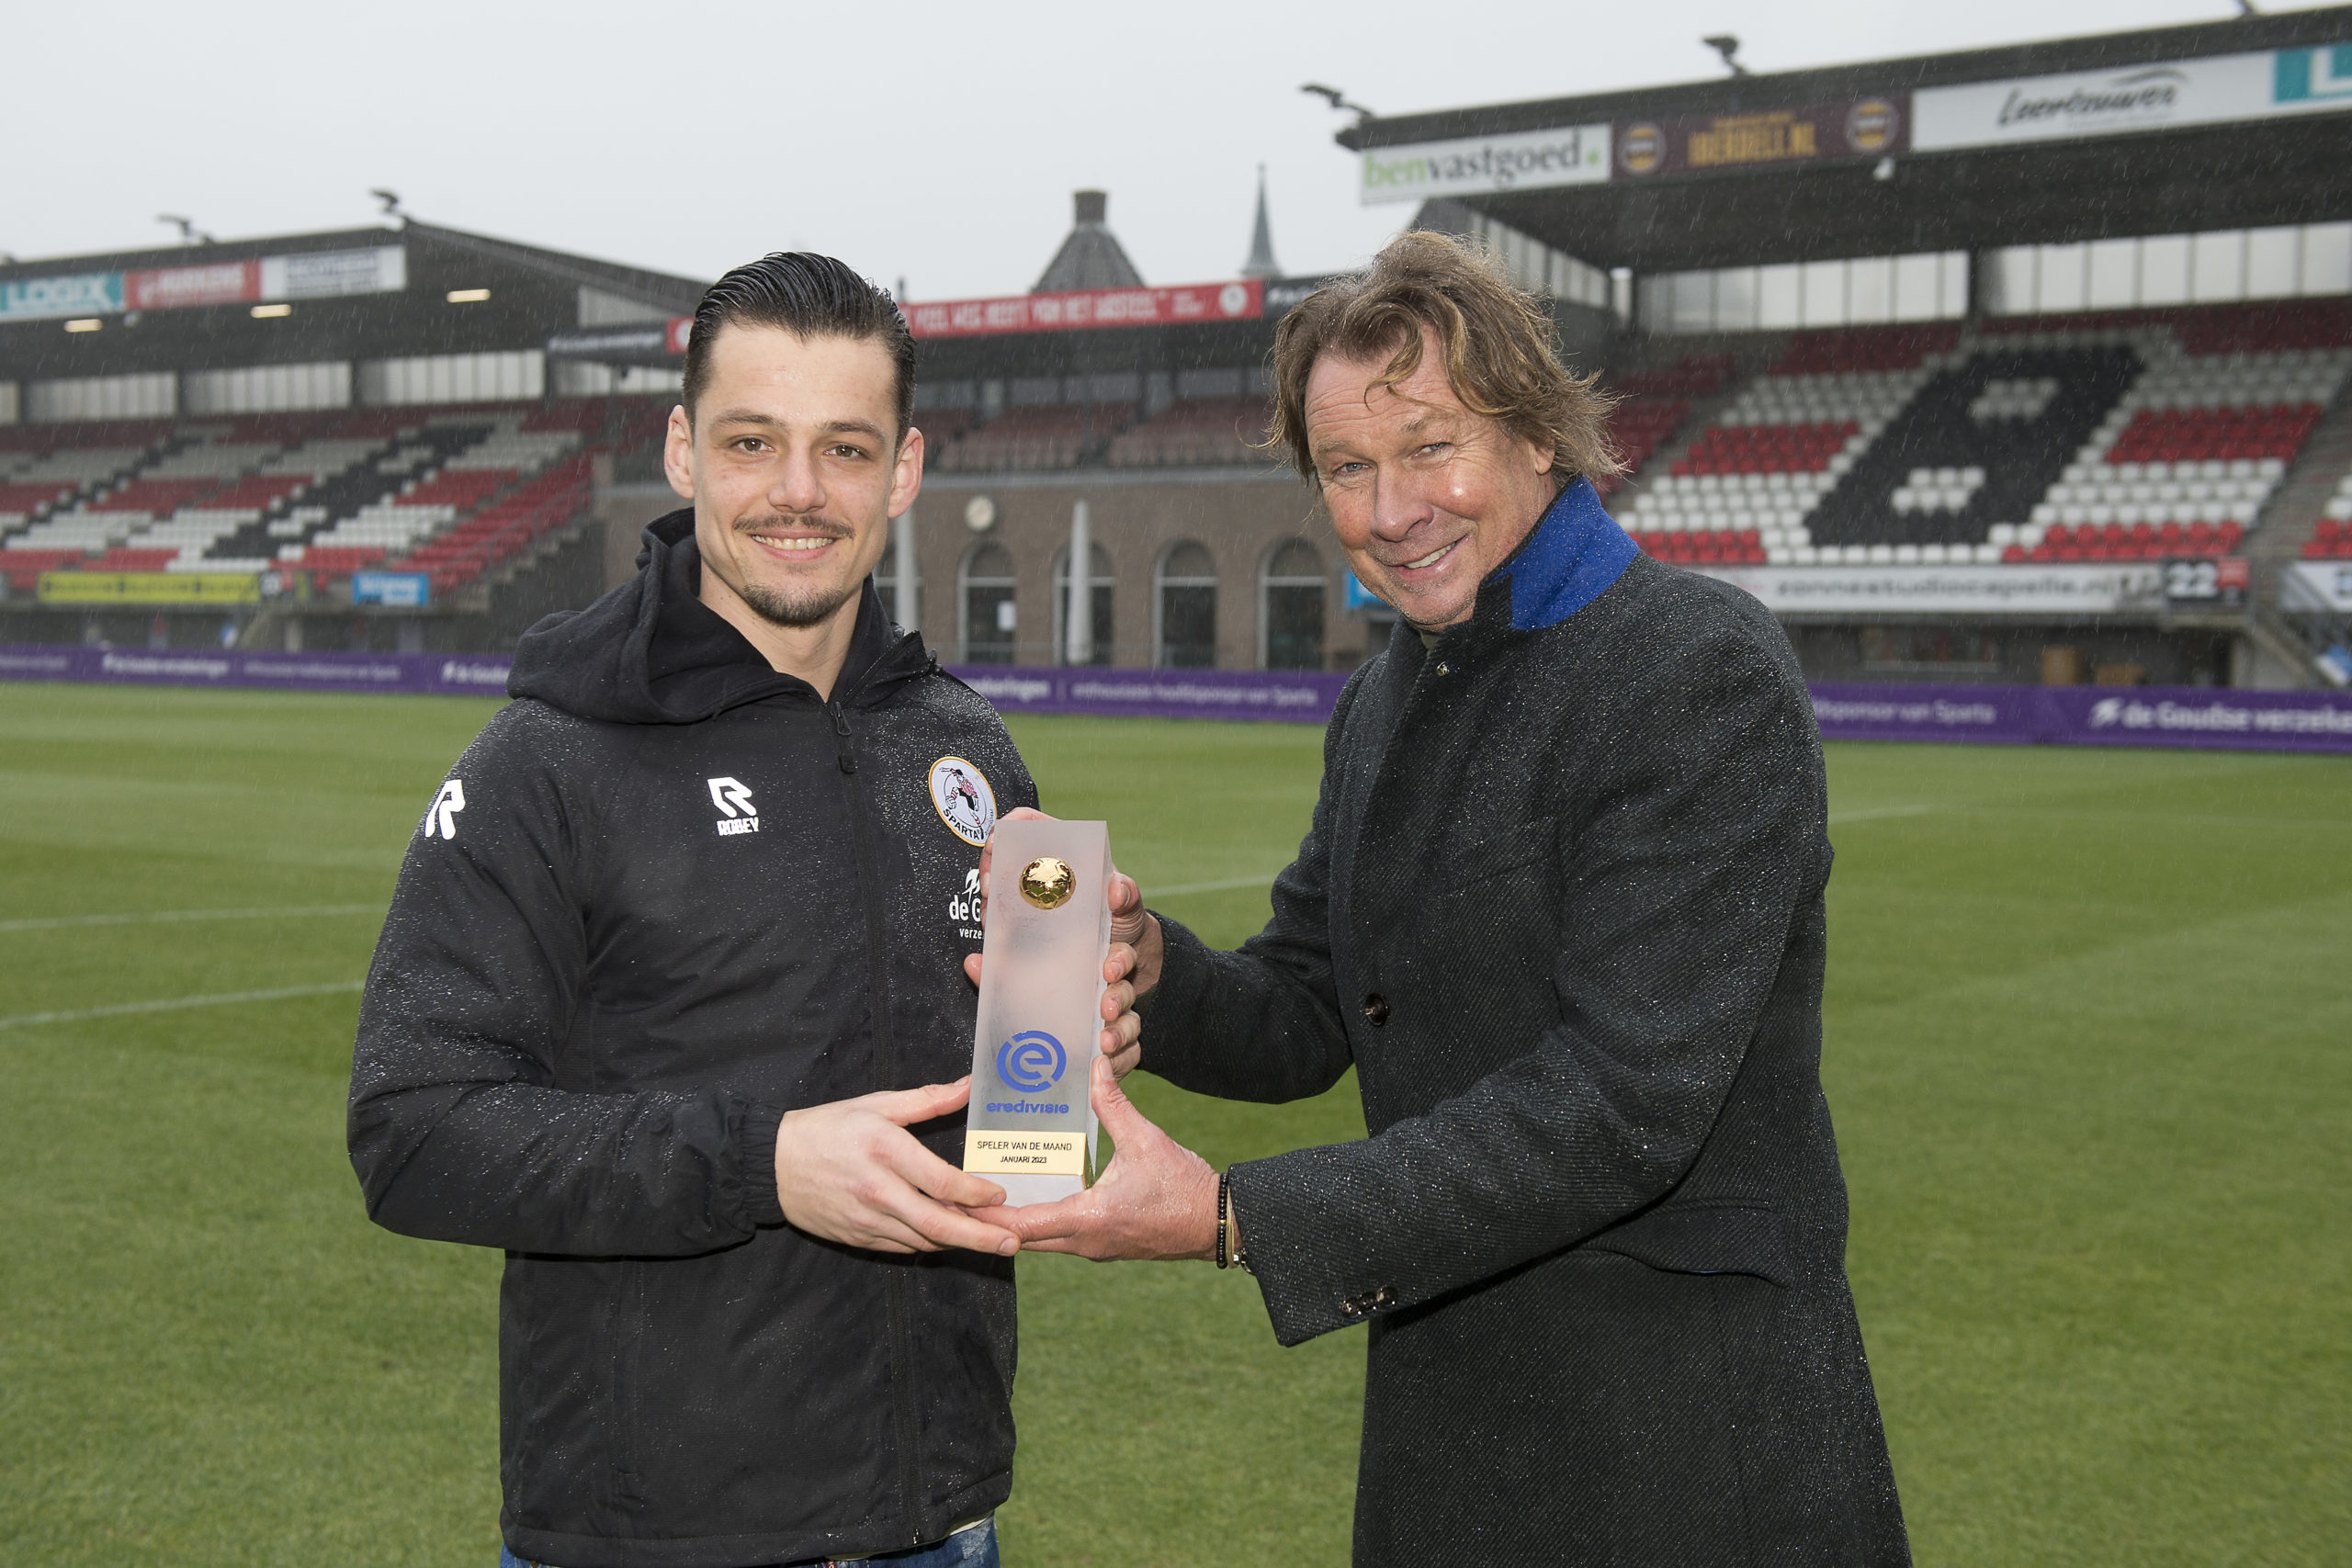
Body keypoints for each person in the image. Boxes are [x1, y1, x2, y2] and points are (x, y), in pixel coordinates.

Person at [988, 232, 1912, 1565]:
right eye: (1348, 468)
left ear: (1538, 433)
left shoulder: (1697, 668)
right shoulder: (1384, 697)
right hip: (1452, 1429)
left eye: (1431, 448)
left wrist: (1238, 1217)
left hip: (1683, 1447)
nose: (1392, 508)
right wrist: (1142, 960)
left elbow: (1624, 1102)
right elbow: (1312, 1007)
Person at [348, 252, 1136, 1568]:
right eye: (752, 441)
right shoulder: (547, 760)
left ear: (904, 470)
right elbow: (413, 1130)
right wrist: (760, 1164)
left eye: (844, 448)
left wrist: (1075, 1030)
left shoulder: (961, 744)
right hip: (658, 1537)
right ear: (683, 451)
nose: (798, 492)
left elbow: (1005, 1110)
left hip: (941, 1522)